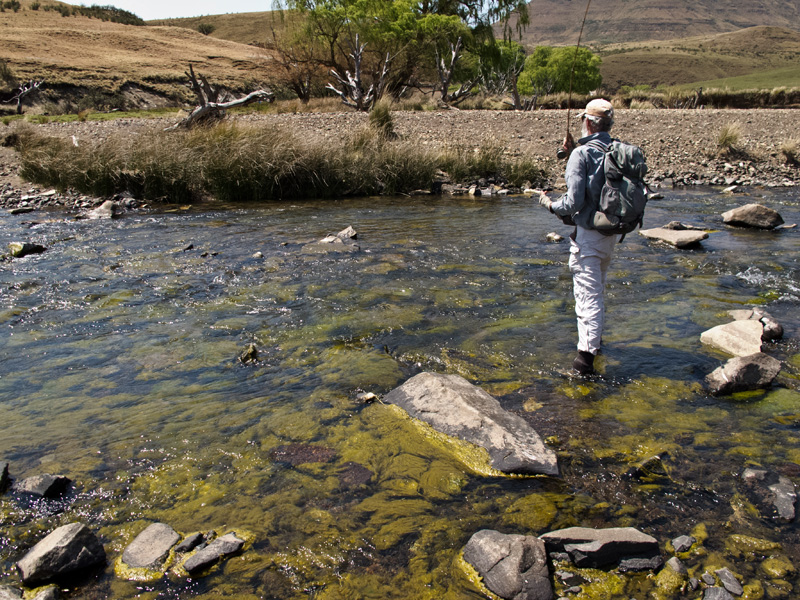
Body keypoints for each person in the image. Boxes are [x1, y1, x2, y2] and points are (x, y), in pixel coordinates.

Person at [538, 98, 618, 376]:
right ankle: (596, 344)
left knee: (587, 297)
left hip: (589, 236)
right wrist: (573, 151)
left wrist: (550, 205)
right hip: (610, 233)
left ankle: (584, 363)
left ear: (587, 123)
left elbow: (572, 203)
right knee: (597, 290)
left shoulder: (582, 154)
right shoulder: (615, 149)